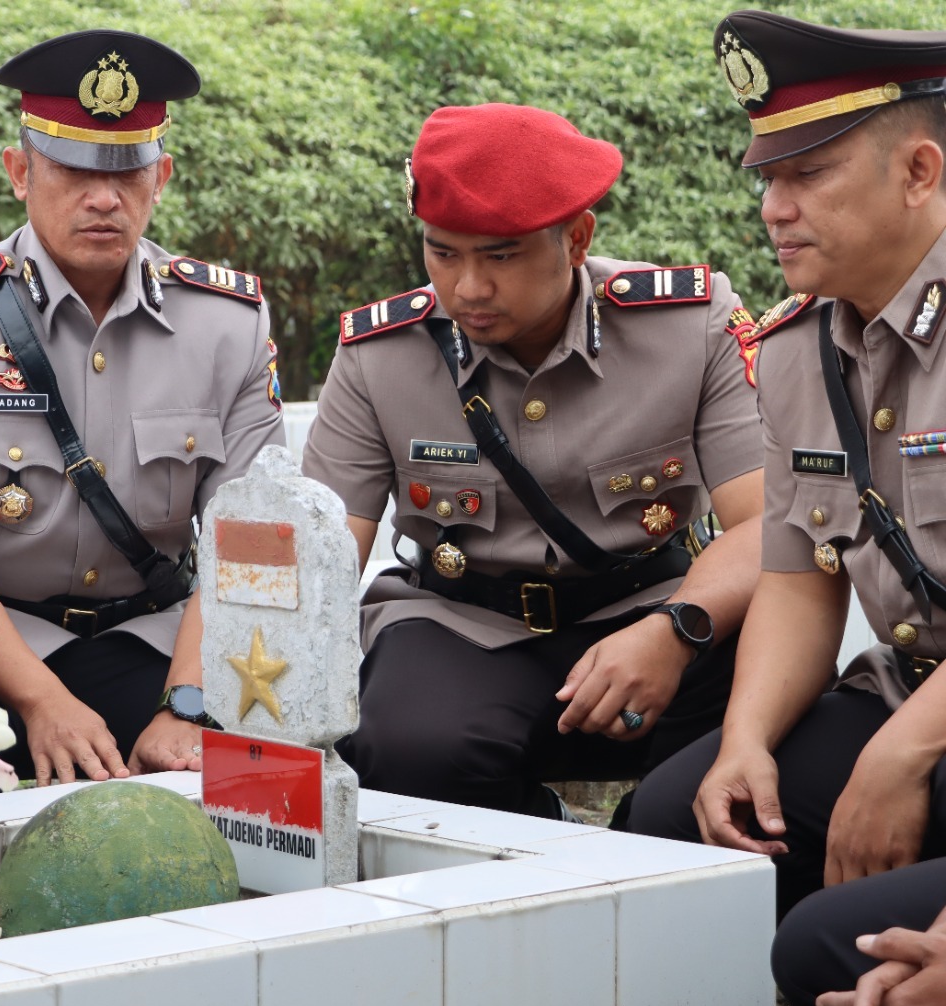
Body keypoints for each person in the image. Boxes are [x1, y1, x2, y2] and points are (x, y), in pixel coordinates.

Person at [0, 30, 285, 799]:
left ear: (161, 177)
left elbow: (252, 541)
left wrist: (191, 703)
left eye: (127, 171)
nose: (103, 197)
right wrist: (42, 701)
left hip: (156, 641)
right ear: (18, 172)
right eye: (73, 169)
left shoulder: (227, 321)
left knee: (285, 730)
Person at [620, 10, 946, 1006]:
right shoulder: (803, 342)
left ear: (918, 171)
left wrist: (898, 758)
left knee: (828, 955)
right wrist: (749, 743)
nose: (773, 207)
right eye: (766, 176)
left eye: (808, 173)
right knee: (673, 829)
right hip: (907, 692)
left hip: (921, 725)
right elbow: (803, 572)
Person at [301, 103, 765, 818]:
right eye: (443, 252)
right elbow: (320, 558)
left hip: (649, 605)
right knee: (408, 747)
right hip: (462, 624)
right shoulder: (379, 357)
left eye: (501, 254)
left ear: (577, 238)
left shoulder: (689, 326)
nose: (468, 289)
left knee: (767, 711)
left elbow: (767, 523)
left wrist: (676, 630)